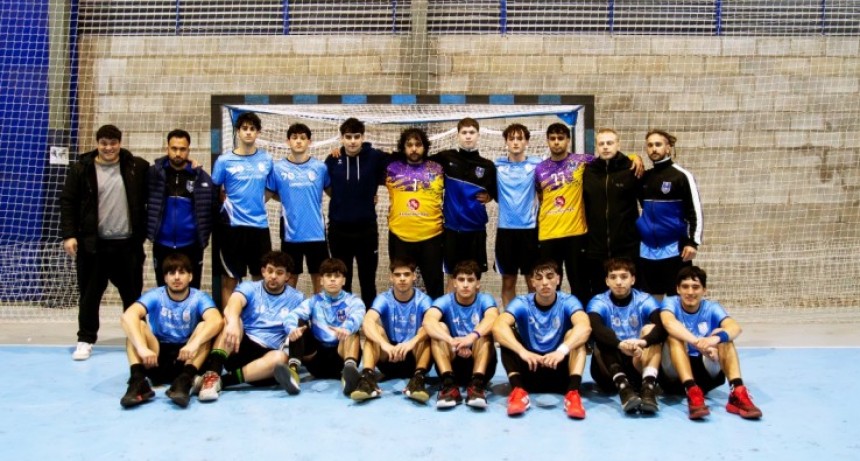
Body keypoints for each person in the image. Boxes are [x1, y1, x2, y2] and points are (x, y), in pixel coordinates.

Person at [60, 124, 149, 361]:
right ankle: (85, 339)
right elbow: (68, 202)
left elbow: (161, 178)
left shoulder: (136, 166)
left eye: (113, 143)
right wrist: (69, 235)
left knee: (133, 295)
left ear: (120, 143)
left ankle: (136, 337)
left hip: (127, 246)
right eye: (104, 143)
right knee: (89, 296)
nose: (108, 148)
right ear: (97, 143)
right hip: (93, 246)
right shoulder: (81, 168)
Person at [196, 251, 304, 402]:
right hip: (240, 346)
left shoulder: (297, 298)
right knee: (231, 319)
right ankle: (213, 373)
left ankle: (222, 381)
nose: (273, 276)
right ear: (263, 271)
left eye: (279, 273)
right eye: (270, 271)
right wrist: (233, 322)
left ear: (287, 276)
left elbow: (298, 327)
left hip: (266, 359)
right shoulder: (250, 287)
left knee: (280, 358)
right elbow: (233, 304)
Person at [119, 253, 222, 408]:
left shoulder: (199, 297)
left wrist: (193, 345)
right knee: (137, 325)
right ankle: (138, 381)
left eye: (181, 272)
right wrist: (142, 348)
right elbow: (127, 316)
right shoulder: (155, 295)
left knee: (204, 328)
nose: (176, 277)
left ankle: (184, 382)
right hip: (157, 356)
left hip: (187, 356)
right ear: (165, 278)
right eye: (171, 273)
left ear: (191, 276)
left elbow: (216, 320)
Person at [659, 266, 763, 420]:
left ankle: (737, 392)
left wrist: (713, 340)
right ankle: (691, 391)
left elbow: (735, 328)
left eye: (696, 287)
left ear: (704, 290)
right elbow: (668, 323)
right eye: (685, 287)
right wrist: (697, 342)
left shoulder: (712, 307)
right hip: (674, 377)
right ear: (678, 289)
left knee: (724, 336)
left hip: (705, 374)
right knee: (674, 336)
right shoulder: (670, 302)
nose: (690, 292)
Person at [493, 259, 591, 419]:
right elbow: (498, 327)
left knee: (575, 336)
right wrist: (522, 351)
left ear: (558, 279)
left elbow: (584, 327)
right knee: (508, 335)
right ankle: (518, 392)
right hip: (530, 368)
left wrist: (561, 351)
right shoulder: (522, 302)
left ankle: (573, 394)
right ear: (532, 282)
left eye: (550, 277)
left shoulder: (568, 301)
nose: (545, 283)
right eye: (539, 278)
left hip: (559, 369)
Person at [349, 257, 433, 403]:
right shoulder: (384, 298)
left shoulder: (424, 300)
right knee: (374, 331)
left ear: (414, 277)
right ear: (391, 277)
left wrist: (411, 343)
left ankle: (418, 379)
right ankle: (367, 378)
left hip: (413, 356)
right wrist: (384, 344)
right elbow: (367, 320)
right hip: (389, 356)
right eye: (397, 275)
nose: (402, 279)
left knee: (426, 331)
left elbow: (432, 324)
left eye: (406, 274)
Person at [211, 111, 274, 307]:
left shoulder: (266, 159)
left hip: (259, 227)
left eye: (252, 129)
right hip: (232, 228)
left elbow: (271, 189)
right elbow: (215, 189)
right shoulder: (224, 160)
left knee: (261, 277)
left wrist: (255, 204)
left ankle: (259, 324)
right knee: (230, 279)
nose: (248, 132)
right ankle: (230, 325)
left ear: (258, 133)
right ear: (238, 131)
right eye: (244, 128)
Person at [325, 118, 390, 308]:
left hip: (366, 230)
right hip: (339, 230)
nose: (352, 141)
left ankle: (369, 323)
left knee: (367, 281)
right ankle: (346, 323)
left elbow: (396, 163)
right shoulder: (333, 159)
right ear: (342, 138)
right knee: (342, 280)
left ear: (363, 137)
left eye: (356, 137)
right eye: (348, 137)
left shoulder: (375, 157)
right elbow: (327, 188)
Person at [278, 258, 366, 397]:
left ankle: (348, 377)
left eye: (337, 276)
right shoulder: (313, 301)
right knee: (299, 324)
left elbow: (358, 316)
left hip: (341, 357)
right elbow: (292, 316)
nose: (332, 280)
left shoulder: (353, 301)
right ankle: (293, 374)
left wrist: (347, 328)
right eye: (328, 276)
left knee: (352, 332)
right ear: (321, 280)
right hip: (316, 360)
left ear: (343, 280)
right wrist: (291, 329)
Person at [586, 257, 664, 414]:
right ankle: (623, 388)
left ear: (633, 279)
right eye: (613, 277)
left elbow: (663, 328)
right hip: (609, 369)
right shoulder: (598, 301)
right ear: (607, 281)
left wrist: (642, 342)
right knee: (602, 333)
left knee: (652, 329)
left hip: (637, 362)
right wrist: (619, 345)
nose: (618, 282)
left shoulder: (645, 299)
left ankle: (648, 388)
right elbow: (594, 327)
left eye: (624, 276)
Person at [423, 260, 498, 410]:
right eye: (461, 279)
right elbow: (428, 321)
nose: (465, 284)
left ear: (477, 284)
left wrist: (470, 338)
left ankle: (476, 386)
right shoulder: (444, 301)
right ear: (454, 282)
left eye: (470, 280)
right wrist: (452, 341)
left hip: (480, 365)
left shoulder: (485, 299)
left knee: (484, 330)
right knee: (440, 328)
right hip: (452, 363)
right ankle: (449, 385)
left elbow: (492, 318)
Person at [147, 129, 217, 290]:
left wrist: (202, 238)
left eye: (182, 149)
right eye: (174, 148)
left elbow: (211, 211)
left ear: (189, 150)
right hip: (162, 244)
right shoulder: (153, 174)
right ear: (167, 149)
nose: (178, 153)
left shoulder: (201, 177)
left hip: (191, 245)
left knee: (192, 292)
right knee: (163, 291)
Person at [428, 118, 497, 281]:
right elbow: (421, 163)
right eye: (464, 132)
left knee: (473, 278)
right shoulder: (446, 158)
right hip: (451, 230)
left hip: (475, 231)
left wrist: (490, 196)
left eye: (472, 132)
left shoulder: (487, 166)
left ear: (478, 135)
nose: (468, 136)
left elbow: (497, 193)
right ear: (457, 135)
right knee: (452, 277)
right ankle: (451, 307)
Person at [637, 129, 703, 300]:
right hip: (648, 249)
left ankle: (676, 326)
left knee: (676, 295)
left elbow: (694, 211)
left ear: (668, 147)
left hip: (674, 249)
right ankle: (657, 326)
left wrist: (692, 242)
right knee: (652, 297)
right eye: (650, 145)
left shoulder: (681, 176)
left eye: (658, 144)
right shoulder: (644, 177)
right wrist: (632, 157)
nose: (654, 149)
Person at [267, 123, 330, 294]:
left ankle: (318, 317)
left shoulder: (320, 168)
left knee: (318, 276)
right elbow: (267, 194)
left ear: (309, 141)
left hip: (316, 233)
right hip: (291, 233)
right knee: (290, 276)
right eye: (294, 137)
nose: (299, 141)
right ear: (288, 141)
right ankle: (289, 315)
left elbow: (334, 192)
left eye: (303, 138)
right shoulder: (278, 168)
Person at [534, 123, 592, 306]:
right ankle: (552, 322)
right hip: (548, 234)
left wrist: (634, 157)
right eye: (552, 139)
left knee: (580, 283)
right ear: (548, 141)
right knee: (549, 284)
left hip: (575, 233)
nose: (556, 142)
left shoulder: (582, 161)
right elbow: (540, 196)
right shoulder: (539, 169)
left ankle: (582, 323)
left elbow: (610, 159)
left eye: (560, 138)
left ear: (568, 140)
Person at [384, 128, 446, 299]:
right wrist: (340, 152)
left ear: (424, 147)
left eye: (418, 144)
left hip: (432, 237)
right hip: (400, 237)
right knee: (401, 285)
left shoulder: (439, 167)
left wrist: (487, 194)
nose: (413, 149)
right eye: (409, 145)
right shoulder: (390, 167)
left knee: (435, 287)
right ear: (403, 148)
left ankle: (437, 323)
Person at [582, 128, 642, 300]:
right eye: (601, 144)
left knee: (628, 293)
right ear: (597, 147)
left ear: (618, 144)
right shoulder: (588, 171)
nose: (606, 147)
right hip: (596, 248)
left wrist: (634, 156)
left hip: (626, 246)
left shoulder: (632, 169)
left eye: (610, 143)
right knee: (599, 295)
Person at [494, 123, 541, 310]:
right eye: (511, 138)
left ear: (527, 142)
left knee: (532, 281)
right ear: (506, 142)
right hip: (505, 231)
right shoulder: (497, 165)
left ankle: (534, 318)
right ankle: (510, 321)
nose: (515, 142)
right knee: (508, 281)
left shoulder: (537, 165)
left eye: (519, 138)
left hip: (530, 230)